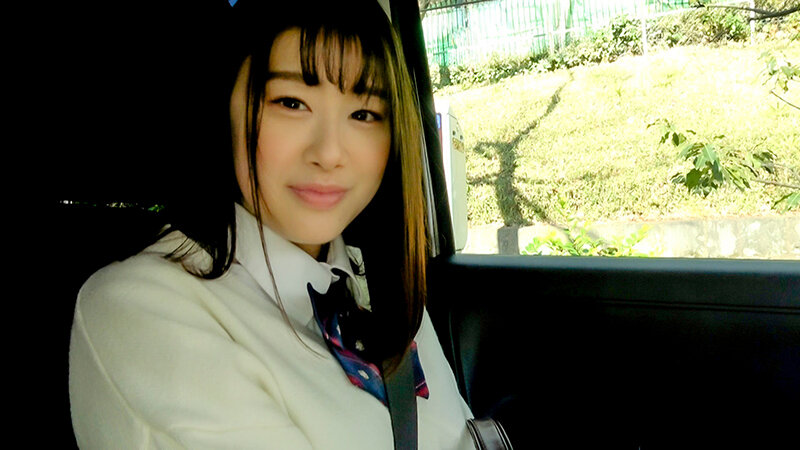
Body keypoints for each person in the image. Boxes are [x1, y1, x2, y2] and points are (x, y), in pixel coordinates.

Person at [68, 0, 475, 448]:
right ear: (224, 107)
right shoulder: (142, 310)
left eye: (363, 114)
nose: (329, 153)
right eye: (291, 103)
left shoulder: (379, 288)